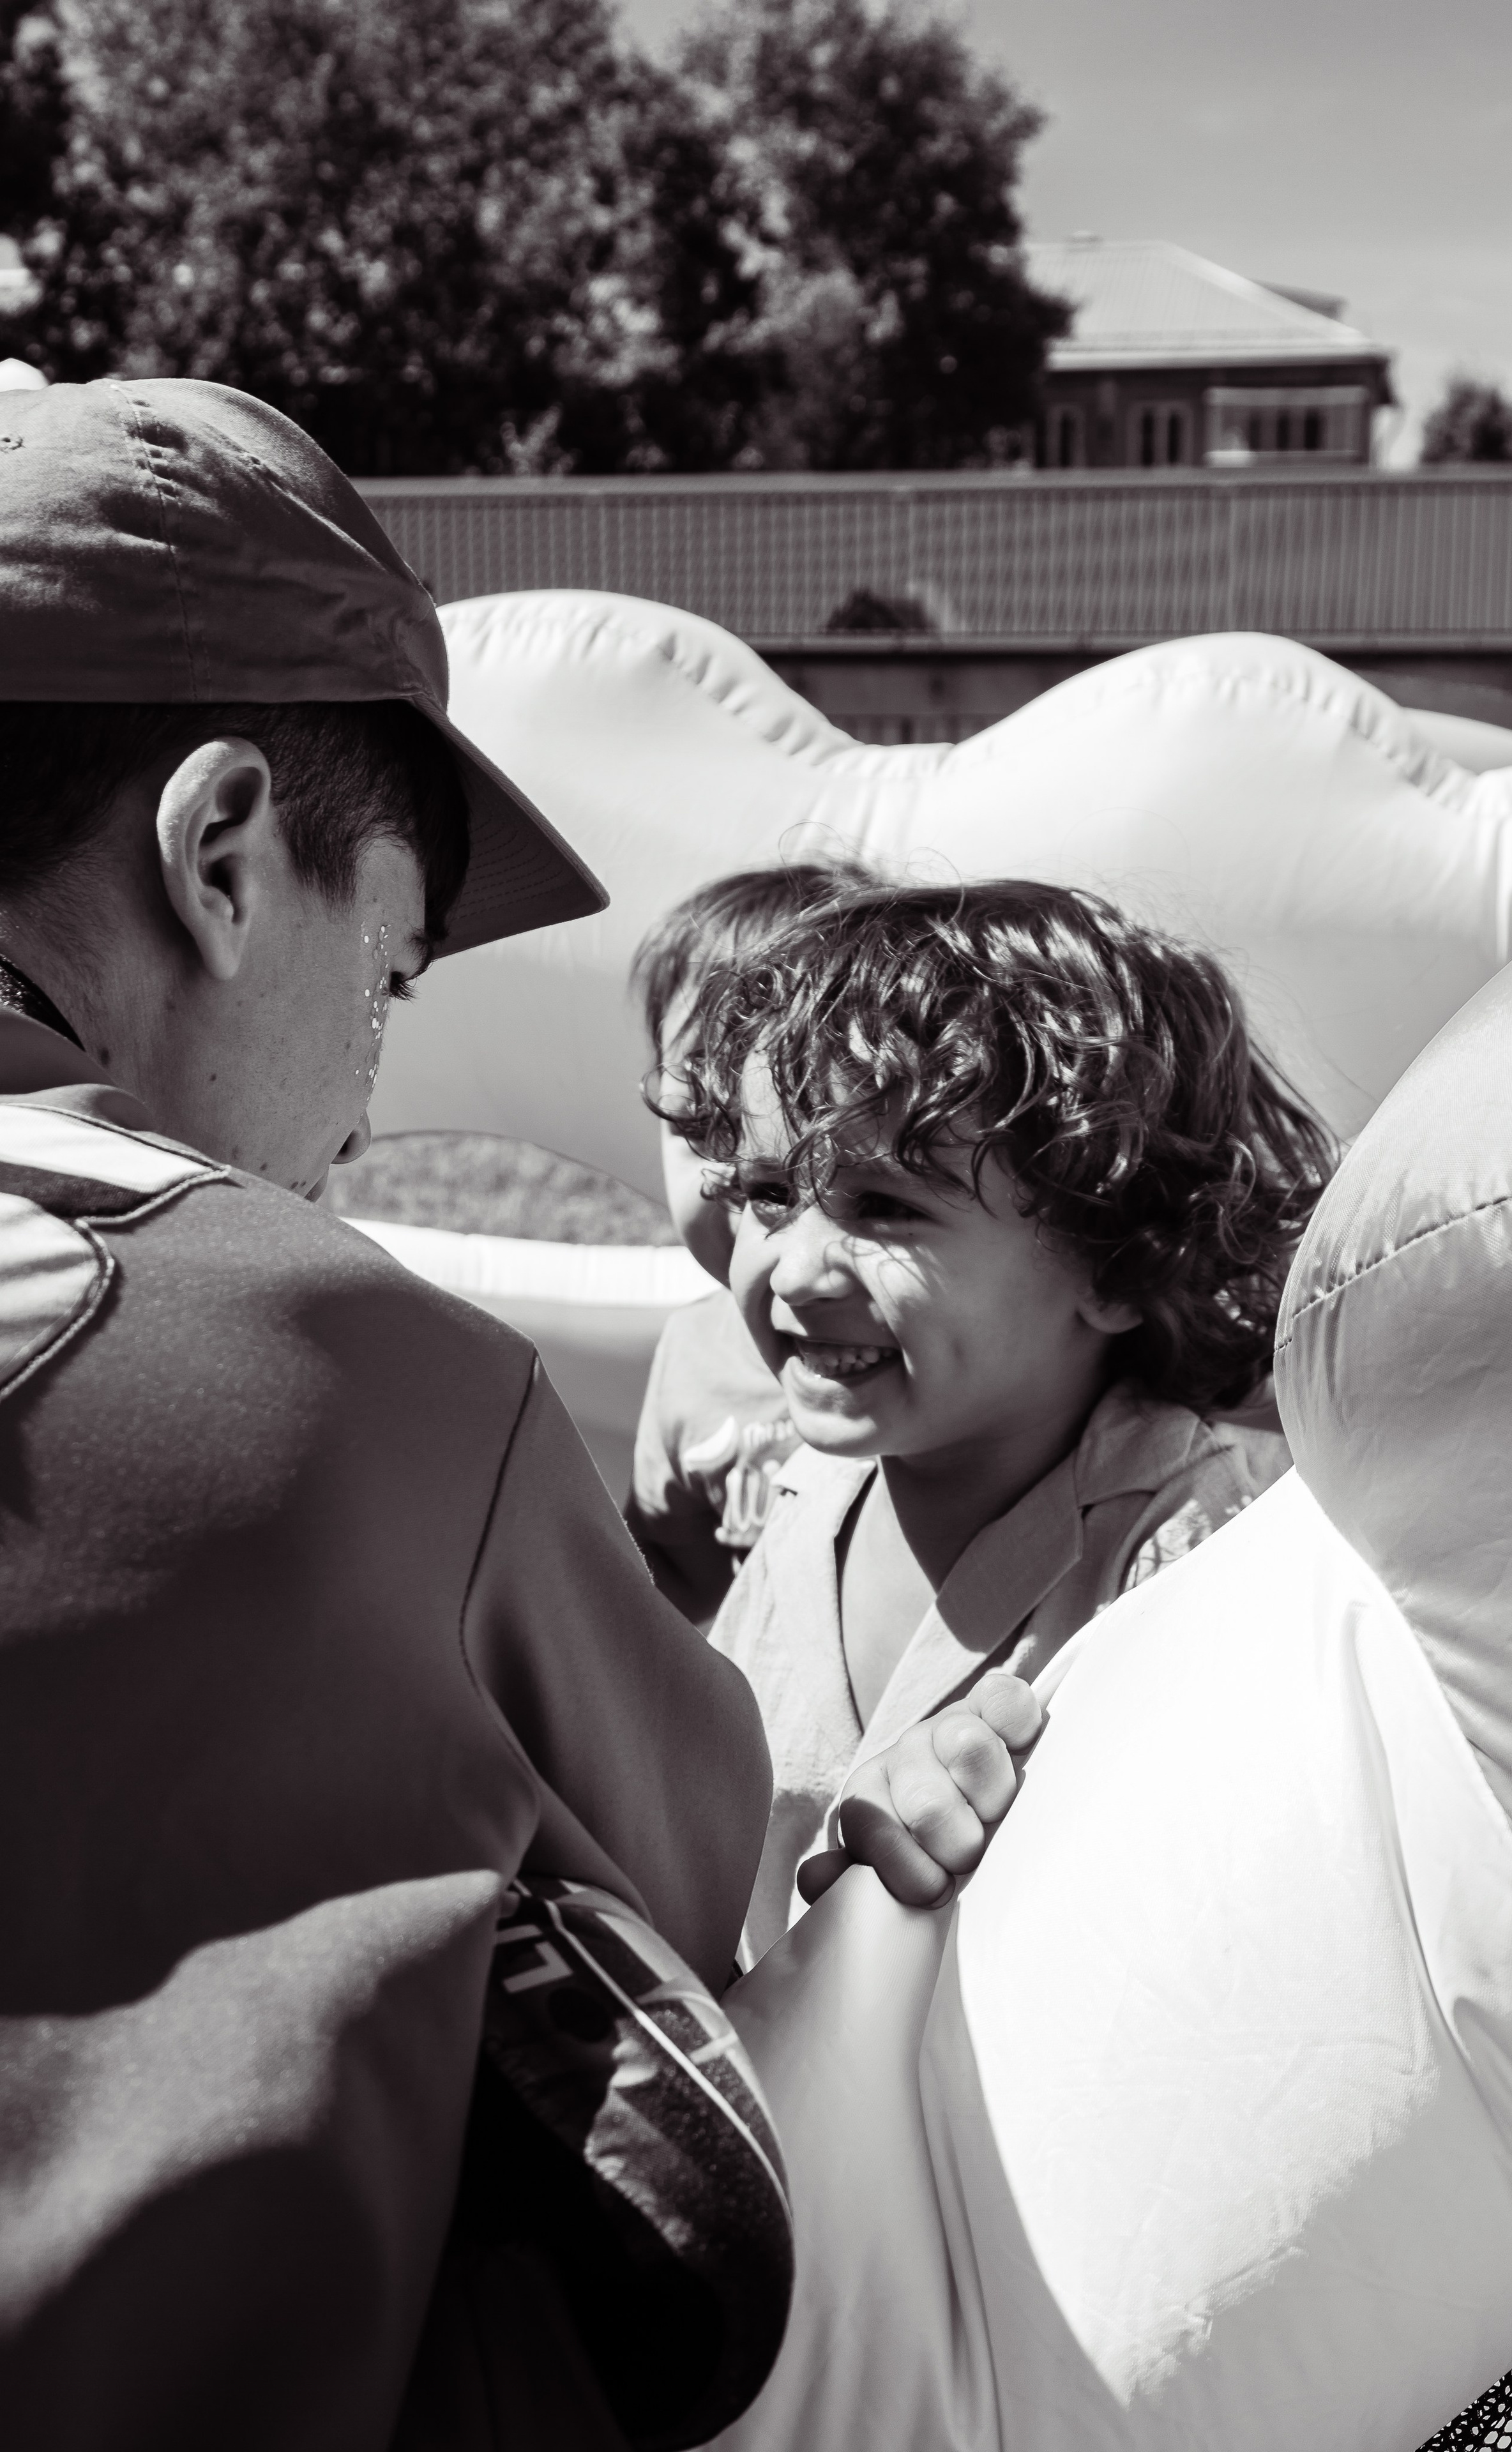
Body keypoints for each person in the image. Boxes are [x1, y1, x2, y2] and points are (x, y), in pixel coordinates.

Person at [0, 375, 786, 2450]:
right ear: (227, 852)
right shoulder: (342, 1372)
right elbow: (709, 1879)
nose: (364, 1091)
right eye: (394, 975)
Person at [670, 879, 1336, 1960]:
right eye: (766, 1193)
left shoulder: (1184, 1553)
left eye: (885, 1206)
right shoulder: (813, 1494)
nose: (791, 1268)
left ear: (1121, 1260)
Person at [626, 861, 872, 1621]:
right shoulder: (693, 1353)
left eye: (803, 1134)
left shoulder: (923, 1349)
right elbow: (668, 1589)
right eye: (700, 1125)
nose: (731, 1175)